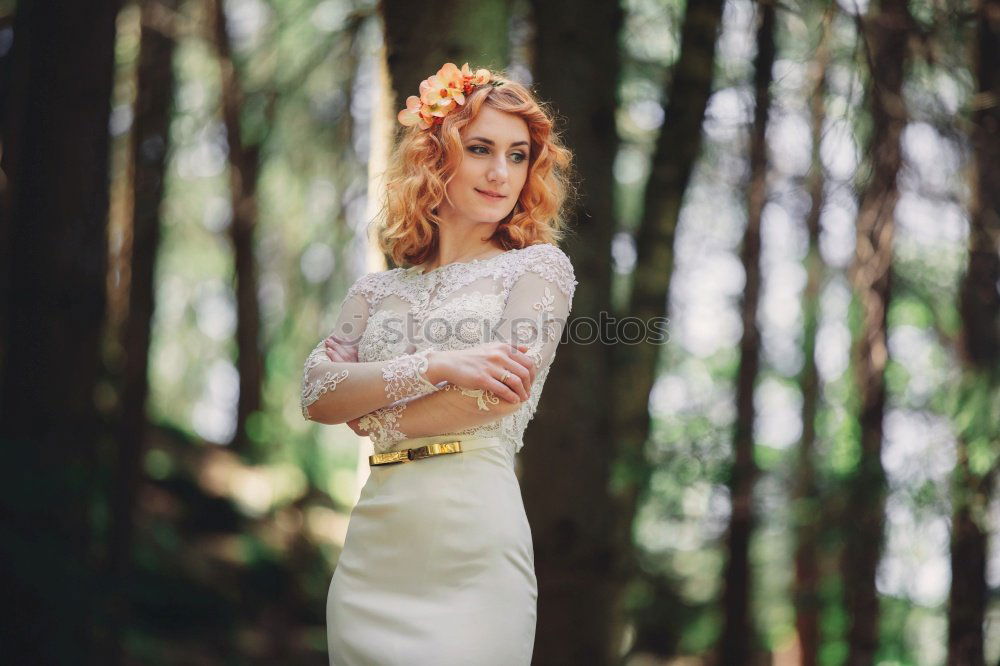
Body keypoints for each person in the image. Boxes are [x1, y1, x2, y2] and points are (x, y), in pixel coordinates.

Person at [300, 62, 577, 665]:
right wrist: (437, 364)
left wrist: (369, 413)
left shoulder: (538, 268)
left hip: (472, 540)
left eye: (518, 154)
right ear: (435, 155)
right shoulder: (373, 293)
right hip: (375, 546)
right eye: (480, 149)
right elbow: (317, 392)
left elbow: (497, 395)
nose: (500, 172)